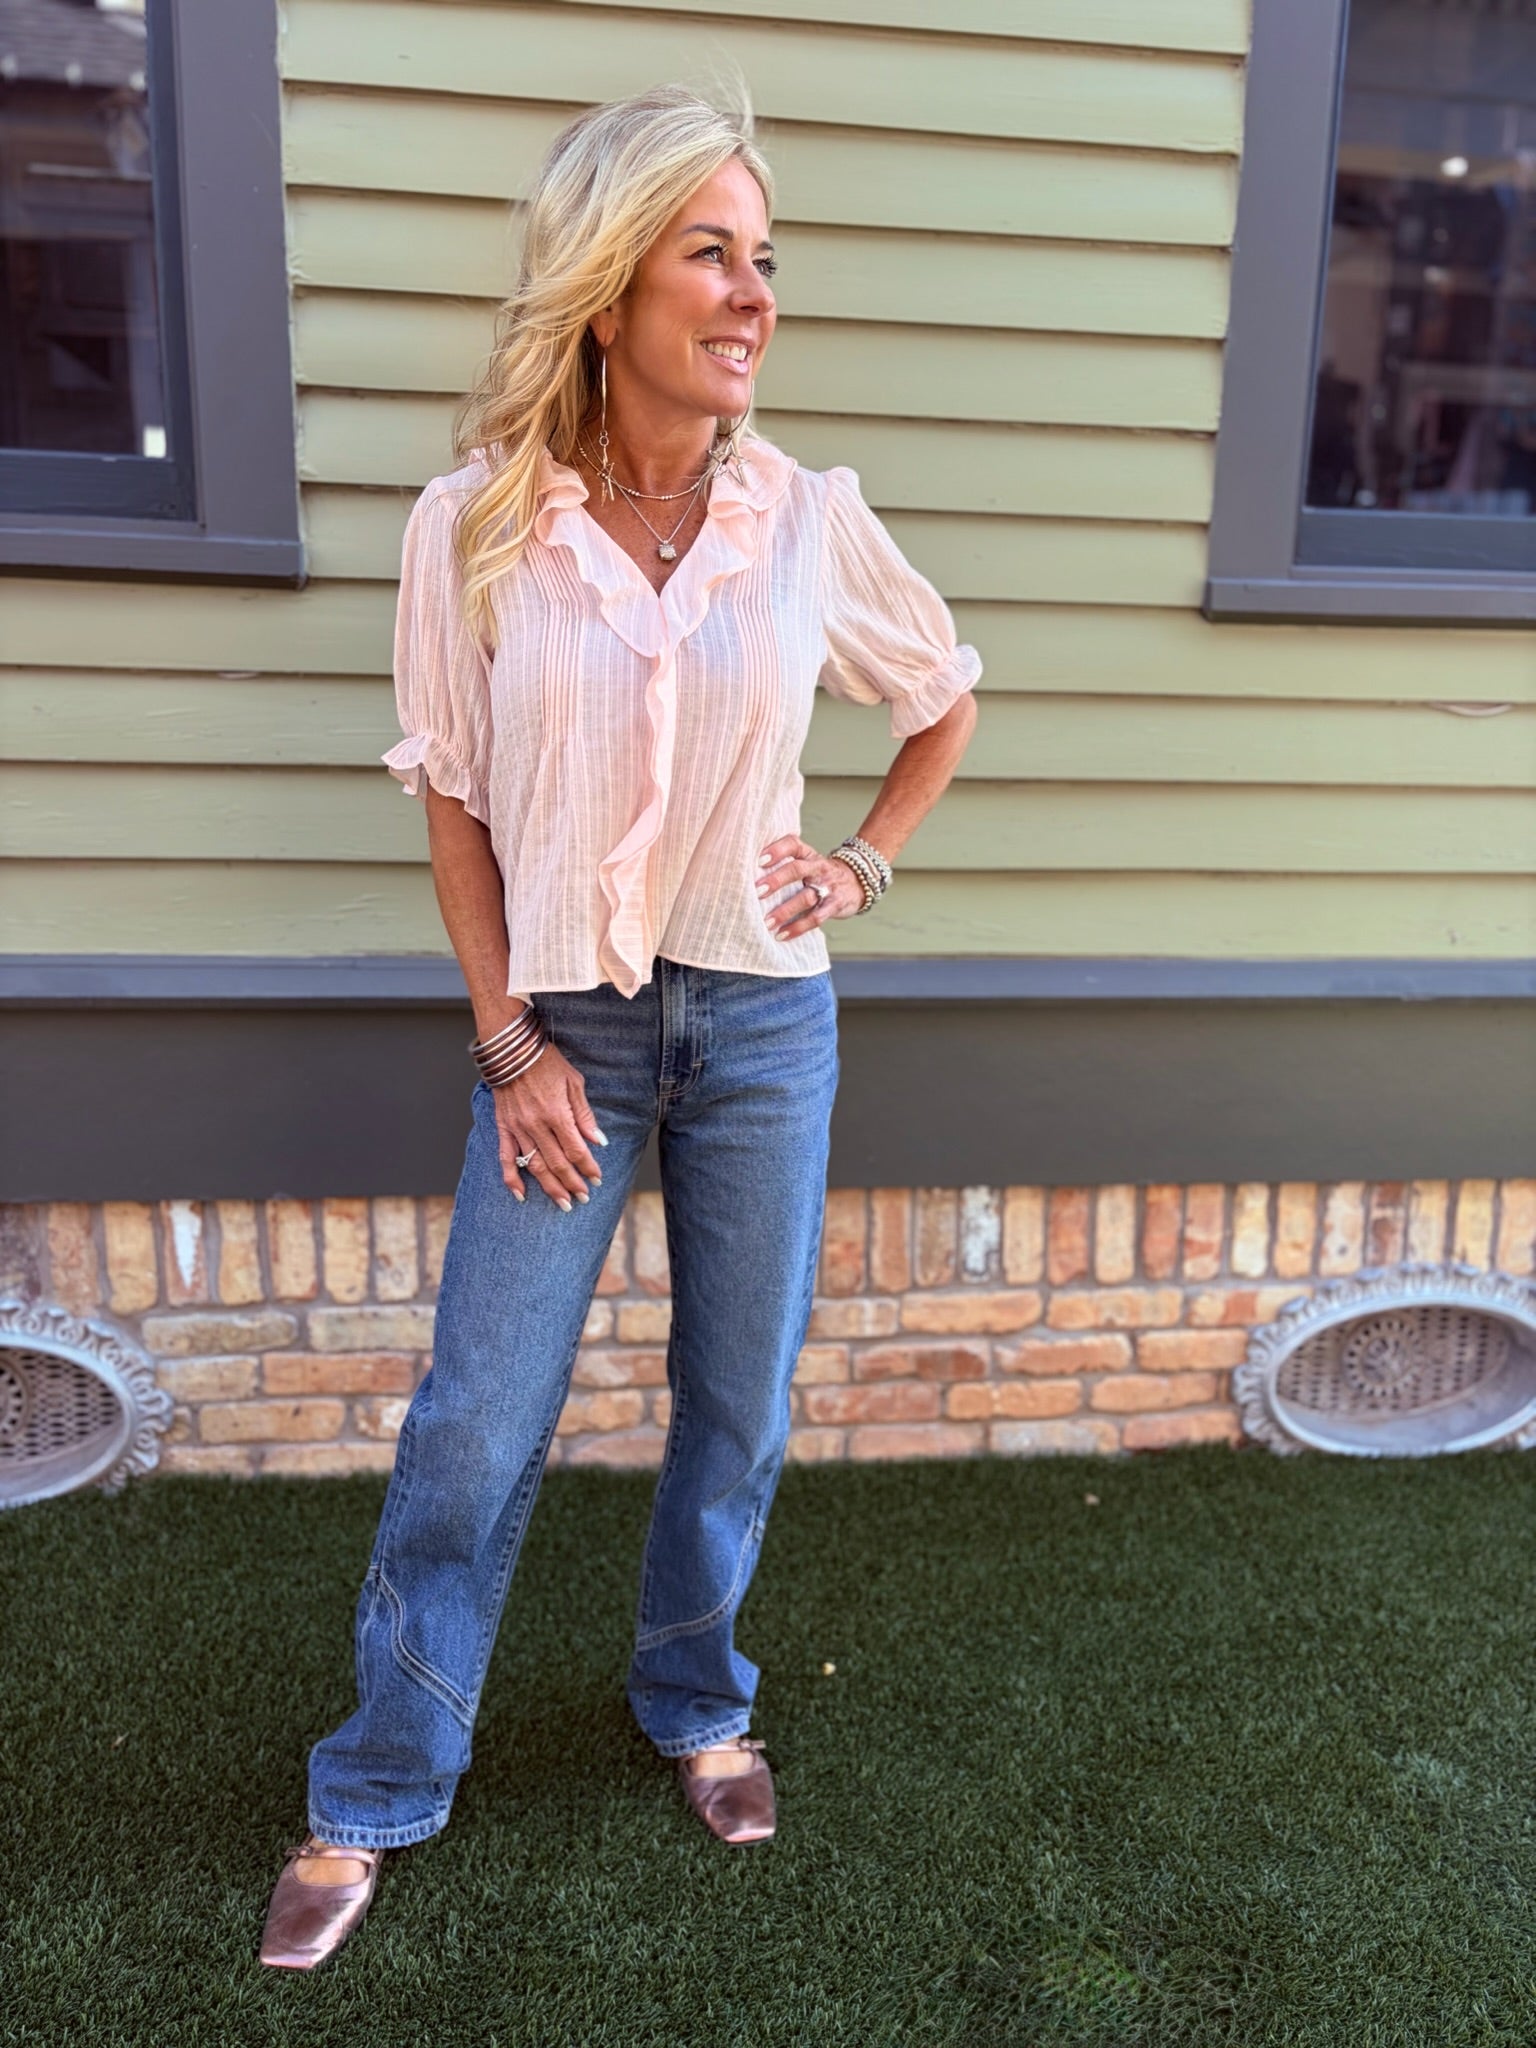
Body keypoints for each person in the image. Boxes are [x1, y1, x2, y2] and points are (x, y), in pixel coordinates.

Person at [259, 81, 980, 1970]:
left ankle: (696, 1696)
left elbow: (941, 695)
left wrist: (863, 862)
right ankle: (381, 1777)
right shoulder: (477, 527)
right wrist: (510, 1039)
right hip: (563, 1027)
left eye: (766, 261)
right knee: (478, 1419)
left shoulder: (805, 518)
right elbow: (454, 800)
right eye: (711, 254)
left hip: (764, 1022)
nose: (754, 295)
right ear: (606, 284)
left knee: (735, 1403)